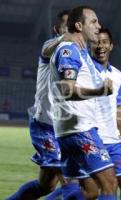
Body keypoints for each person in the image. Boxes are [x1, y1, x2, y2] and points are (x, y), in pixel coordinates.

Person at [6, 10, 81, 200]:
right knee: (72, 183)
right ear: (57, 29)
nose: (71, 29)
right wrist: (65, 38)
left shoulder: (78, 54)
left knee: (45, 186)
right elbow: (46, 50)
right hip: (46, 126)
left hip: (68, 128)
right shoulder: (52, 46)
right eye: (66, 25)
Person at [48, 6, 117, 200]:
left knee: (86, 192)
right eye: (94, 22)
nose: (99, 26)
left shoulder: (81, 51)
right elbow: (67, 89)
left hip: (72, 131)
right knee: (109, 183)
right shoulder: (69, 50)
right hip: (79, 131)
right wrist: (100, 90)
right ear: (79, 25)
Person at [91, 28, 121, 200]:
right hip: (93, 138)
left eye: (104, 42)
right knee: (97, 188)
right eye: (96, 42)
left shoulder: (117, 75)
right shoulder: (85, 70)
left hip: (113, 140)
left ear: (111, 46)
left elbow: (118, 108)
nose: (100, 46)